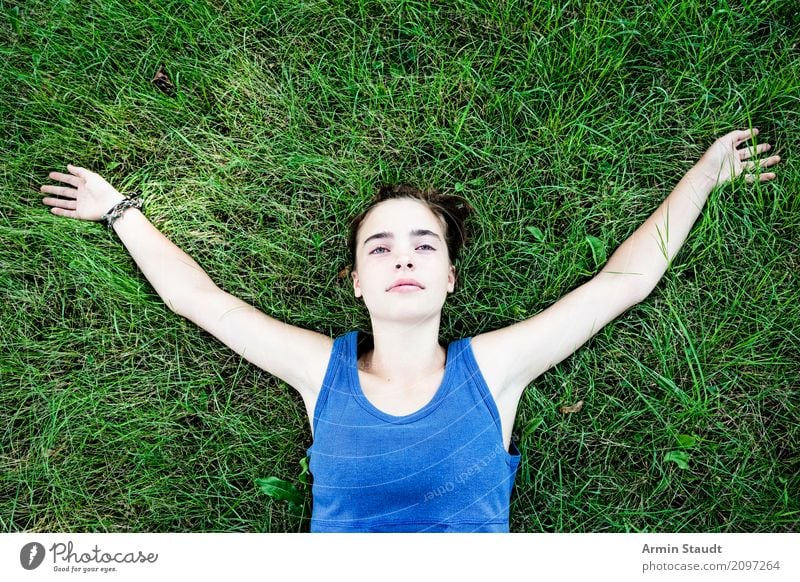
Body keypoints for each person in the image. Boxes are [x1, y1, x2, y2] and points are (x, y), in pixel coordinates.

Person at [41, 128, 780, 532]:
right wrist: (118, 211)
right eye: (380, 247)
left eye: (424, 245)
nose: (403, 258)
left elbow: (622, 284)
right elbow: (201, 301)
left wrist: (708, 173)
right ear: (356, 281)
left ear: (449, 279)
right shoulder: (319, 372)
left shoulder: (491, 370)